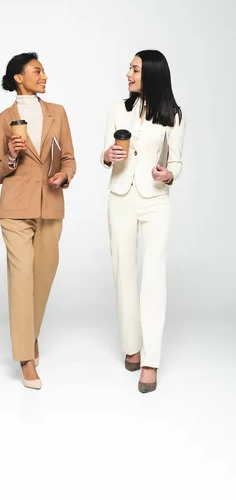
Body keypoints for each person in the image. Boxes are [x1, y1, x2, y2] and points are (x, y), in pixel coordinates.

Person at [101, 50, 185, 393]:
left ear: (150, 74)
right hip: (120, 196)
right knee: (124, 272)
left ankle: (150, 361)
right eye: (129, 69)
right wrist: (108, 155)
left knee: (153, 277)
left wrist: (168, 174)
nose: (128, 74)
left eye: (134, 69)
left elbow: (177, 162)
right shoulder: (118, 109)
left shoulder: (173, 115)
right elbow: (106, 153)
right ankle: (131, 346)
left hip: (155, 202)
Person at [0, 52, 76, 389]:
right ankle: (26, 358)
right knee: (21, 277)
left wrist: (64, 175)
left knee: (43, 276)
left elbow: (69, 157)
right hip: (14, 208)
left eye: (43, 71)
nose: (44, 76)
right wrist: (11, 156)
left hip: (51, 204)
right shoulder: (2, 119)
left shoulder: (57, 113)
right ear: (18, 77)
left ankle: (32, 334)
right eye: (36, 71)